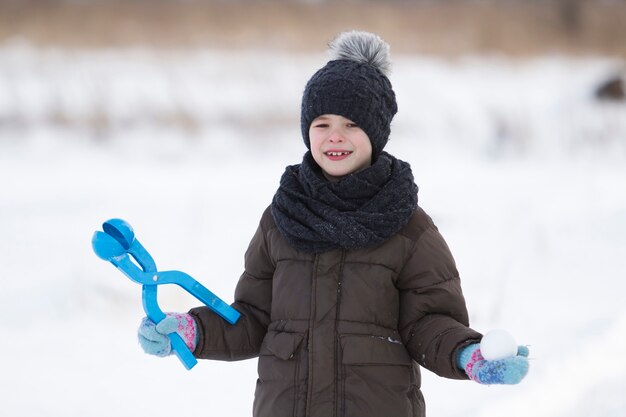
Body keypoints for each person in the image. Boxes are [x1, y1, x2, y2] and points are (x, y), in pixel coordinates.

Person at [137, 31, 529, 417]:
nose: (334, 136)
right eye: (322, 123)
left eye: (351, 124)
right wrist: (193, 331)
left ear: (375, 132)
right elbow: (254, 318)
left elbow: (428, 324)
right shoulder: (282, 217)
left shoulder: (408, 226)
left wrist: (468, 354)